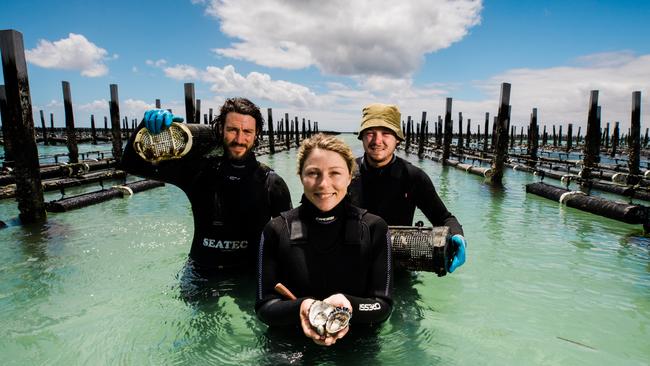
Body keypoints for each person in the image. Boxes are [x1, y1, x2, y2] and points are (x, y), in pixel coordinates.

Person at [120, 98, 293, 274]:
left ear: (256, 134)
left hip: (249, 275)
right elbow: (130, 165)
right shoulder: (197, 173)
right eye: (232, 130)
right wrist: (144, 127)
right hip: (199, 273)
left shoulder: (271, 183)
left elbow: (290, 242)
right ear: (220, 129)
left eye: (247, 131)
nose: (240, 139)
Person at [256, 134, 392, 346]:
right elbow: (265, 308)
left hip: (355, 343)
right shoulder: (276, 229)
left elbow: (382, 306)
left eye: (335, 173)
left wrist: (349, 306)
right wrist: (301, 307)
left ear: (350, 177)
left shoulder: (374, 228)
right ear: (300, 176)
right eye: (313, 173)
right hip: (291, 342)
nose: (324, 183)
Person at [349, 103, 466, 273]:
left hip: (398, 266)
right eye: (370, 133)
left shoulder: (413, 177)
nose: (377, 140)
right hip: (352, 264)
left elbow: (444, 218)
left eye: (386, 133)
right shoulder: (344, 173)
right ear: (361, 137)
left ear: (398, 138)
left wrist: (458, 235)